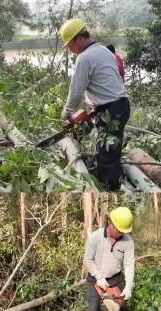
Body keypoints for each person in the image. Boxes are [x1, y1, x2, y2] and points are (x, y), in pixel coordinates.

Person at [59, 19, 130, 191]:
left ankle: (109, 188)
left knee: (107, 154)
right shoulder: (104, 51)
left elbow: (76, 91)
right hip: (118, 106)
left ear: (78, 39)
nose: (70, 49)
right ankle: (110, 176)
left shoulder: (85, 58)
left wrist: (67, 111)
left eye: (70, 45)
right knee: (108, 148)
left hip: (111, 110)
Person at [83, 207, 135, 311]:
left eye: (123, 231)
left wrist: (128, 286)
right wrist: (99, 278)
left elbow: (128, 264)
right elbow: (88, 260)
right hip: (94, 278)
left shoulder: (128, 242)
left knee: (119, 308)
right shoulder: (95, 238)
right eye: (119, 230)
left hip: (114, 278)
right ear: (110, 223)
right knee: (94, 308)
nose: (121, 234)